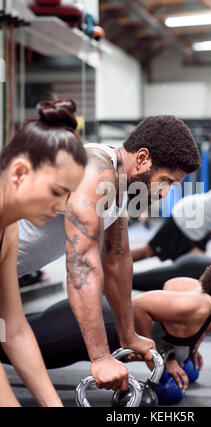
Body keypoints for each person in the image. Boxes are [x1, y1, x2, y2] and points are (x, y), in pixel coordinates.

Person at [16, 115, 201, 392]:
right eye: (166, 181)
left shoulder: (122, 185)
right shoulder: (94, 172)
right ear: (142, 158)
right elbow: (82, 265)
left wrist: (129, 334)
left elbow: (116, 262)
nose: (165, 194)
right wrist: (100, 357)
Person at [0, 265, 211, 390]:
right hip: (91, 324)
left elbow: (172, 285)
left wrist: (188, 347)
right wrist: (157, 356)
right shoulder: (202, 306)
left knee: (13, 325)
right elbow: (139, 307)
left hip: (98, 320)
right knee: (8, 344)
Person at [0, 98, 87, 407]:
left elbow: (14, 329)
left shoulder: (8, 229)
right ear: (20, 172)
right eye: (56, 192)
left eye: (68, 195)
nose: (62, 207)